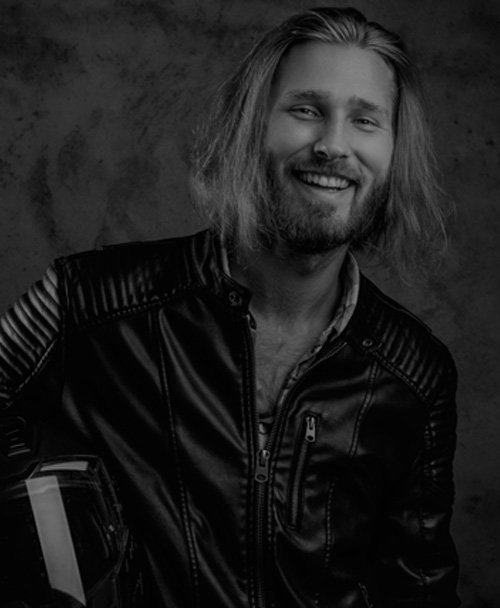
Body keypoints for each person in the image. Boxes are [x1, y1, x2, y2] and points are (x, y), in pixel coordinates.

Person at [0, 6, 460, 608]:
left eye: (365, 120)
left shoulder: (415, 374)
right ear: (252, 126)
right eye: (305, 110)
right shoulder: (90, 303)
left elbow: (420, 590)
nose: (332, 144)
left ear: (394, 151)